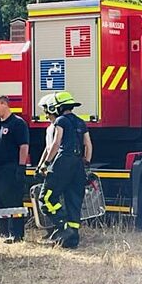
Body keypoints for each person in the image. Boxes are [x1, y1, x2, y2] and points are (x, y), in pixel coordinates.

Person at [38, 91, 92, 249]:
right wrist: (86, 163)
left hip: (63, 161)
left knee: (46, 198)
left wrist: (46, 163)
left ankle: (63, 227)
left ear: (56, 107)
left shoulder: (60, 120)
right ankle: (72, 239)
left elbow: (56, 143)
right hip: (79, 164)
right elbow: (88, 144)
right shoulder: (81, 122)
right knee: (74, 200)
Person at [0, 95, 30, 241]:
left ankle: (16, 234)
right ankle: (2, 230)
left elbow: (23, 146)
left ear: (5, 105)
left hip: (9, 169)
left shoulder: (17, 123)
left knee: (12, 200)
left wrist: (21, 167)